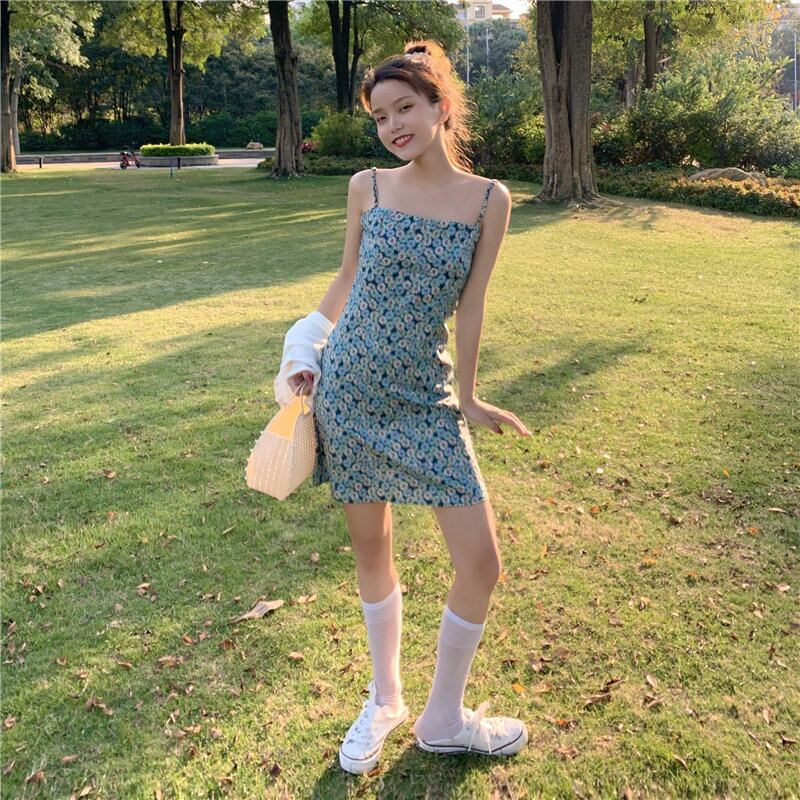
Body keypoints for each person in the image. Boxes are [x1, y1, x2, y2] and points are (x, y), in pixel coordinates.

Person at [279, 39, 532, 774]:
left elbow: (473, 304)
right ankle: (385, 698)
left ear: (440, 107)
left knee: (481, 563)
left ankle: (443, 717)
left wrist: (471, 394)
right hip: (349, 392)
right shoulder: (367, 186)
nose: (392, 125)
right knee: (372, 549)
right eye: (380, 116)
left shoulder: (489, 200)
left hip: (426, 397)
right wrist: (302, 351)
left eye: (405, 108)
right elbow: (345, 279)